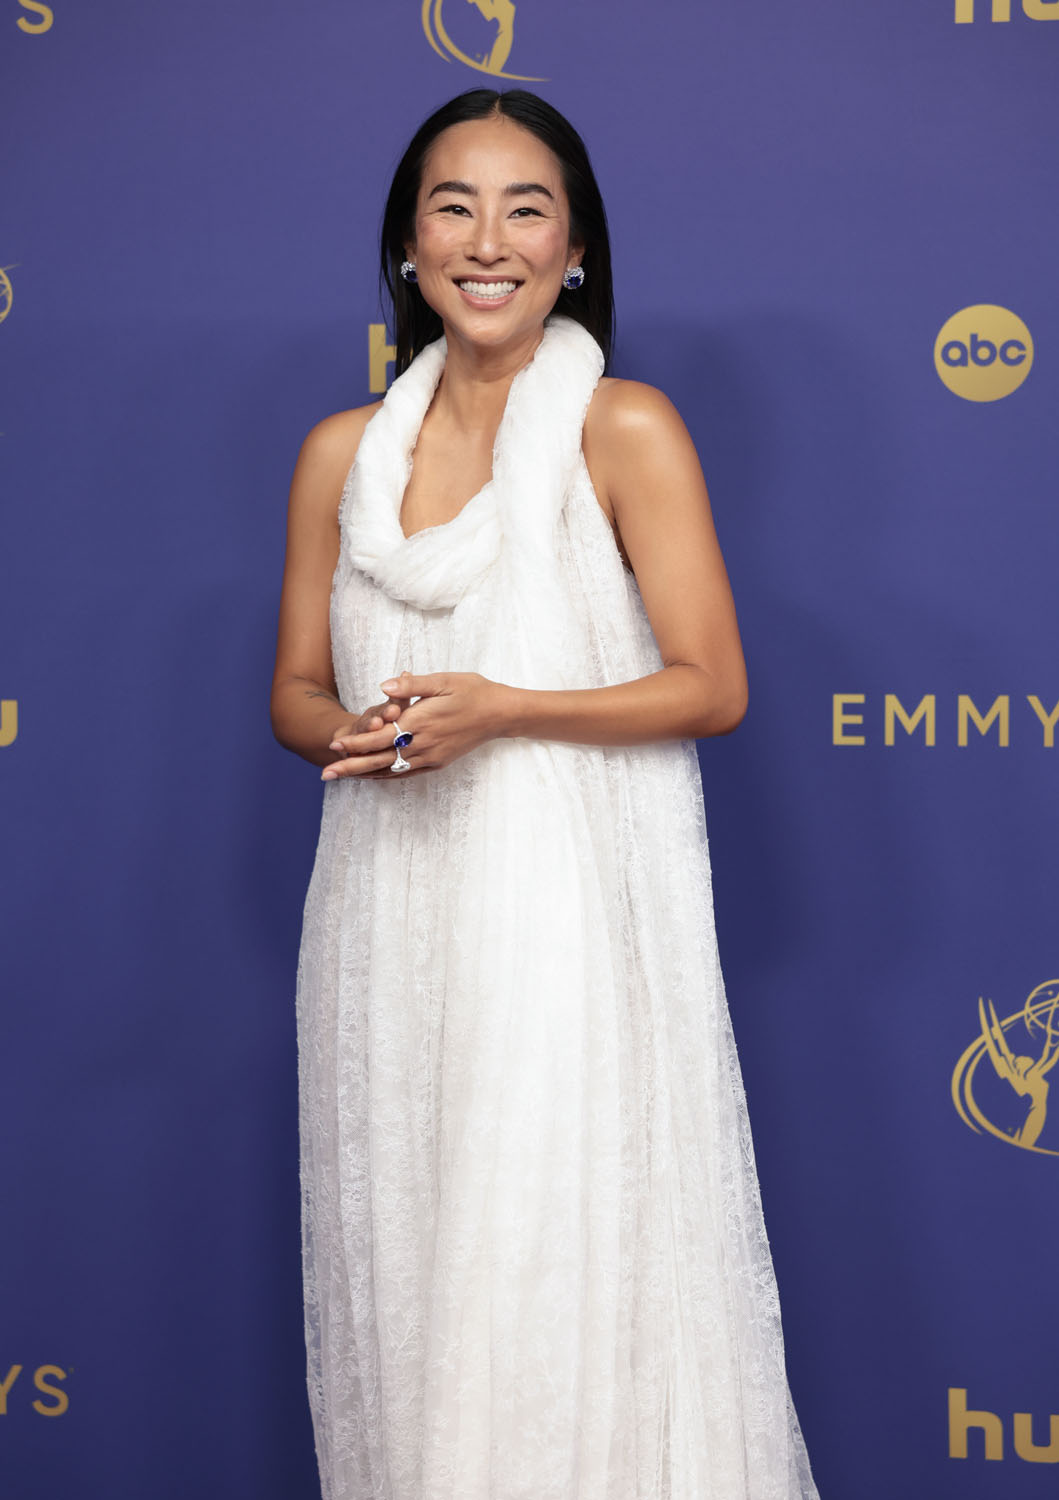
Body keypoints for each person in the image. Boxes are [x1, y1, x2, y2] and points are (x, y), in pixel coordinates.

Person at [271, 87, 818, 1500]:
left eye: (527, 210)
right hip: (387, 928)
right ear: (407, 246)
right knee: (412, 1279)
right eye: (453, 206)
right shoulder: (341, 456)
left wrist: (505, 709)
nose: (488, 241)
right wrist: (362, 732)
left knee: (559, 1263)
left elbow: (711, 683)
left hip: (567, 931)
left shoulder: (623, 429)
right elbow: (295, 693)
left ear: (574, 252)